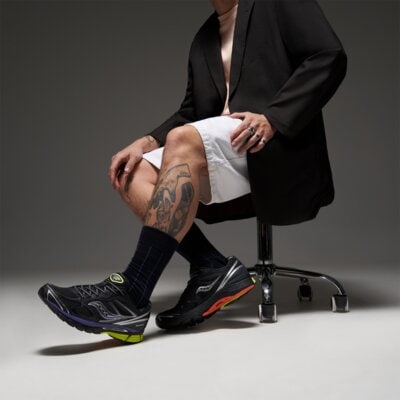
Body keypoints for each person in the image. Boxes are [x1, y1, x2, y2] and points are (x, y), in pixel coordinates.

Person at [38, 0, 347, 343]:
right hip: (229, 152)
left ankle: (131, 295)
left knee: (181, 139)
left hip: (278, 147)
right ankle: (211, 267)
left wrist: (273, 119)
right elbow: (192, 111)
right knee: (132, 172)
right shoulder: (204, 38)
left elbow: (329, 55)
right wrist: (146, 141)